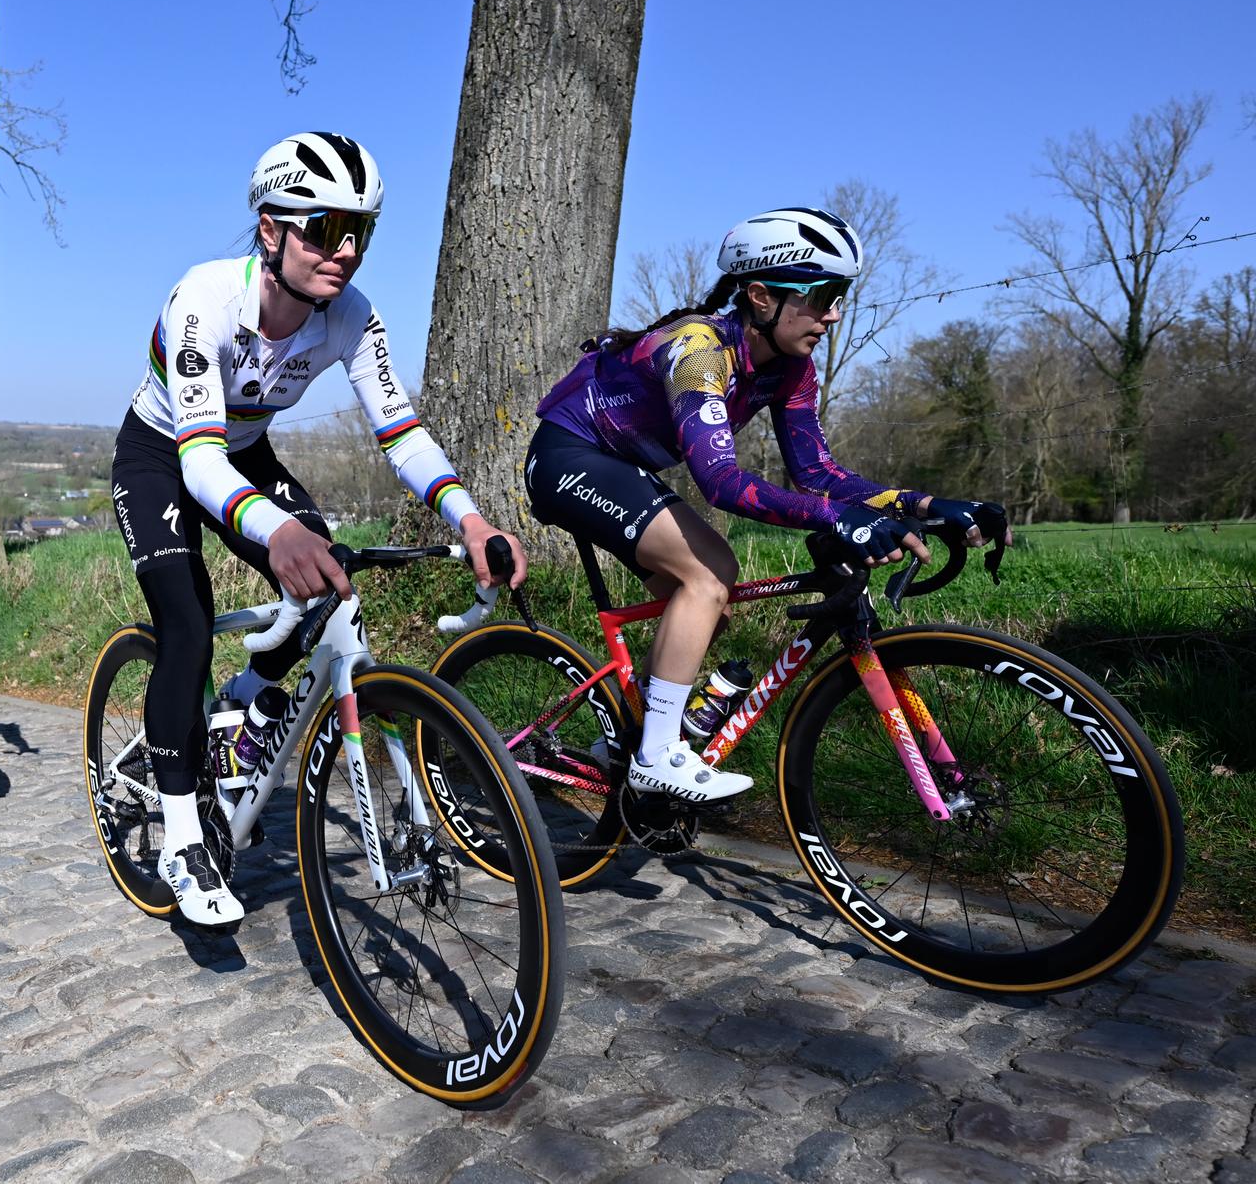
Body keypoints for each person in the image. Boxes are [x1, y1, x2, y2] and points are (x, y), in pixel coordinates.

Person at [112, 131, 529, 925]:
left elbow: (401, 432)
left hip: (242, 453)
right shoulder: (204, 299)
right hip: (162, 456)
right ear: (270, 230)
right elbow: (197, 461)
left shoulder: (350, 314)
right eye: (326, 229)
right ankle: (182, 837)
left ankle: (249, 696)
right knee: (187, 628)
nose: (346, 252)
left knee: (332, 582)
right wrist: (277, 533)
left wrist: (469, 516)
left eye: (360, 232)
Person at [526, 207, 1008, 802]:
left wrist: (925, 503)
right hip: (568, 459)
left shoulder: (791, 368)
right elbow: (721, 483)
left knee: (708, 607)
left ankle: (624, 743)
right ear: (760, 296)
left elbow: (818, 473)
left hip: (623, 468)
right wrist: (839, 518)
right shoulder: (698, 351)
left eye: (841, 298)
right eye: (822, 296)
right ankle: (657, 754)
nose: (834, 314)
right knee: (710, 575)